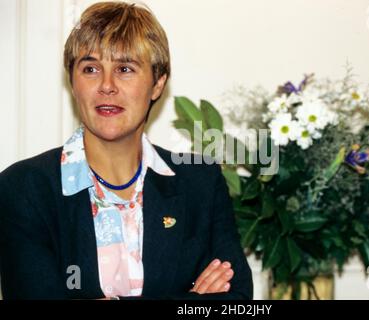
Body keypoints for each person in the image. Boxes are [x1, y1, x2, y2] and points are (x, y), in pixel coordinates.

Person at [0, 1, 252, 300]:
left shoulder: (200, 181)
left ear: (158, 84)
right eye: (91, 68)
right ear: (73, 81)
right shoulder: (23, 188)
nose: (107, 85)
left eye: (125, 68)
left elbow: (235, 300)